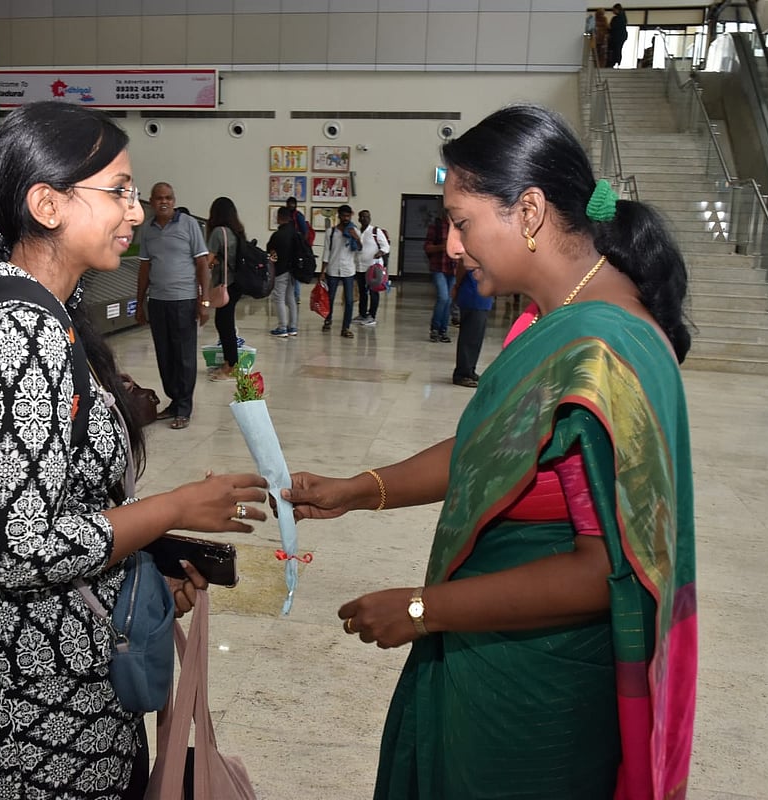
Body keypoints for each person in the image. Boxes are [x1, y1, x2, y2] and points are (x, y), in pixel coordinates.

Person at [283, 105, 696, 799]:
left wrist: (423, 609)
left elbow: (605, 574)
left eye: (462, 221)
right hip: (495, 640)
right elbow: (494, 450)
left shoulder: (599, 352)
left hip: (537, 685)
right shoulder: (564, 322)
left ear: (529, 211)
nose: (448, 245)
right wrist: (357, 490)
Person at [0, 101, 269, 800]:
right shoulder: (15, 336)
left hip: (73, 667)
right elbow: (16, 547)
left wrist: (144, 568)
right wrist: (173, 507)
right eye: (118, 190)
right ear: (47, 203)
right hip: (31, 698)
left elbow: (62, 500)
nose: (133, 210)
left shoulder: (52, 319)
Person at [136, 182, 211, 430]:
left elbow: (202, 265)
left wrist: (204, 301)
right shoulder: (147, 230)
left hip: (184, 301)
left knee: (184, 356)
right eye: (158, 198)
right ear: (151, 201)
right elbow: (145, 268)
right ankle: (174, 400)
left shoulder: (189, 225)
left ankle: (184, 407)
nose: (164, 202)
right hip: (158, 302)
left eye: (168, 197)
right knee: (165, 355)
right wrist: (139, 303)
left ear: (174, 200)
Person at [205, 196, 249, 377]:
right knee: (225, 322)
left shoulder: (218, 232)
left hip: (226, 284)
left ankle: (231, 364)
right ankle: (229, 362)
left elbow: (207, 260)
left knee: (224, 323)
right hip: (236, 283)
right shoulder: (237, 231)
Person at [451, 257, 493, 388]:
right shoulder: (475, 249)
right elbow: (462, 267)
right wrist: (457, 285)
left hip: (483, 297)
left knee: (476, 338)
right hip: (473, 295)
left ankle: (469, 370)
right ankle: (462, 374)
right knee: (469, 337)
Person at [321, 204, 361, 339]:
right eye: (343, 216)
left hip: (348, 270)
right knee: (330, 298)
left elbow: (359, 249)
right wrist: (322, 272)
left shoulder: (354, 230)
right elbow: (326, 251)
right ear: (338, 216)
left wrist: (356, 238)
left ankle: (346, 327)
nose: (345, 218)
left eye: (348, 216)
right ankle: (328, 319)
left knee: (349, 300)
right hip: (332, 269)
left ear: (351, 216)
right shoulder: (331, 232)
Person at [267, 205, 300, 337]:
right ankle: (293, 327)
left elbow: (271, 251)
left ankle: (282, 327)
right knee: (291, 298)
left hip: (280, 270)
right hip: (293, 271)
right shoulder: (295, 233)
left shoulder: (278, 235)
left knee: (279, 298)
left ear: (279, 217)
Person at [354, 209, 391, 327]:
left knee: (373, 292)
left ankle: (372, 316)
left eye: (367, 217)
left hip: (373, 268)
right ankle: (362, 314)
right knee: (362, 292)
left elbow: (386, 246)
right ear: (359, 219)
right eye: (363, 217)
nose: (365, 219)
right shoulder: (356, 232)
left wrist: (380, 252)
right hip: (360, 267)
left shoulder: (376, 231)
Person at [424, 214, 457, 342]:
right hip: (438, 267)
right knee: (443, 297)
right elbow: (427, 247)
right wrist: (442, 247)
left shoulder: (460, 227)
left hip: (454, 268)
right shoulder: (436, 227)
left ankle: (443, 331)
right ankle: (435, 328)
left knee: (449, 300)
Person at [608, 3, 628, 68]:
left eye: (613, 10)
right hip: (622, 36)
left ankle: (614, 62)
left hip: (617, 37)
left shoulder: (617, 18)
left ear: (617, 9)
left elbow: (612, 27)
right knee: (618, 49)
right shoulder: (623, 17)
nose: (613, 11)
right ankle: (618, 63)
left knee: (616, 50)